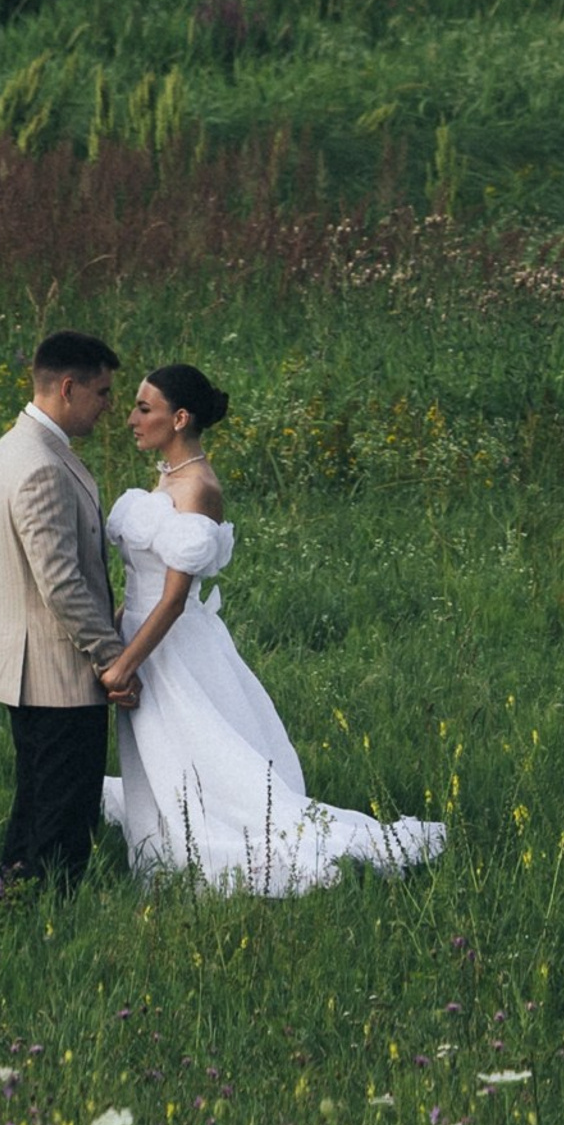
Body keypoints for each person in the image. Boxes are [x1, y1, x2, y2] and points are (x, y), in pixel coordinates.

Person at [97, 360, 446, 893]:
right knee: (159, 753)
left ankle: (221, 842)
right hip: (142, 636)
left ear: (181, 418)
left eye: (145, 408)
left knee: (203, 758)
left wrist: (126, 662)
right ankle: (160, 835)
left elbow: (172, 599)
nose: (130, 419)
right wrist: (114, 634)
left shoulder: (200, 489)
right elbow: (142, 584)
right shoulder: (166, 478)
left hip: (172, 648)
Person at [0, 326, 137, 891]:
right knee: (62, 822)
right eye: (102, 393)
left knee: (36, 803)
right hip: (56, 676)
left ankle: (11, 898)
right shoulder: (41, 464)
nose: (108, 409)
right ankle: (39, 917)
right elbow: (62, 584)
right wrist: (113, 658)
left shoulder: (13, 446)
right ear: (68, 388)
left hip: (30, 671)